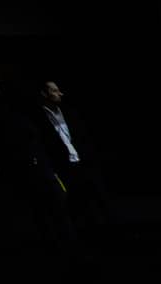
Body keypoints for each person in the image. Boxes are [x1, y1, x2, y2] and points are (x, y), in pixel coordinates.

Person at [36, 80, 107, 242]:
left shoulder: (68, 112)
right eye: (54, 91)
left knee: (93, 199)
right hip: (64, 165)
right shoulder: (41, 118)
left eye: (58, 90)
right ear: (44, 94)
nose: (59, 93)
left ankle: (100, 233)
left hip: (81, 162)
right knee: (74, 204)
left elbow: (82, 136)